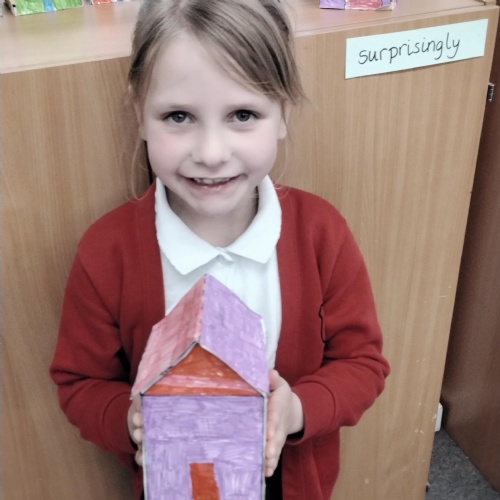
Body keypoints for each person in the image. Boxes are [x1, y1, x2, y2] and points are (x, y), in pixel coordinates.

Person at [50, 0, 390, 499]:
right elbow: (79, 381)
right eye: (179, 116)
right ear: (139, 114)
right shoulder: (108, 251)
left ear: (283, 114)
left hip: (288, 482)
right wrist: (129, 418)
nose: (211, 153)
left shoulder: (321, 233)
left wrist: (297, 410)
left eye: (243, 114)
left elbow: (363, 363)